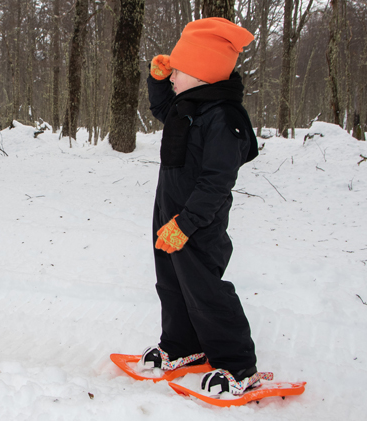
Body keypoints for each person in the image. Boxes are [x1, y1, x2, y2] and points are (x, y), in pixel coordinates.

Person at [140, 17, 262, 397]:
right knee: (172, 283)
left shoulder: (225, 118)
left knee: (205, 288)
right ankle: (184, 346)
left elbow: (216, 181)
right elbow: (163, 109)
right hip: (169, 213)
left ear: (202, 72)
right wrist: (158, 80)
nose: (173, 76)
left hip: (198, 221)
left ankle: (239, 365)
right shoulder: (189, 105)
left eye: (178, 70)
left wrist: (188, 223)